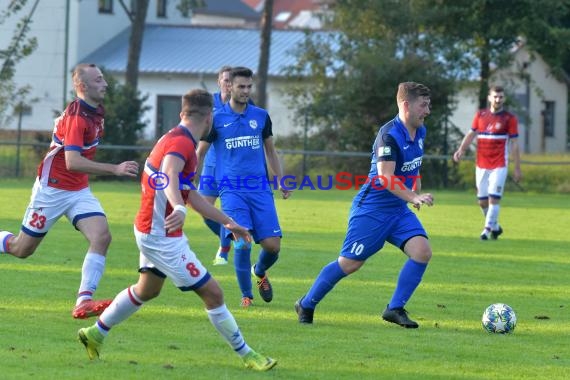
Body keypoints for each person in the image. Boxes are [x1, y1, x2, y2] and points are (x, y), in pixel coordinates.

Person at [77, 89, 277, 371]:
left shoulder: (175, 136)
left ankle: (95, 334)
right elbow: (171, 174)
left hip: (149, 229)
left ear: (183, 112)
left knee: (146, 290)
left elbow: (190, 193)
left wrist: (227, 222)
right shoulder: (182, 144)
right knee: (214, 294)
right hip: (161, 237)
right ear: (209, 117)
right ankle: (248, 355)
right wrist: (178, 208)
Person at [0, 63, 139, 319]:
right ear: (82, 86)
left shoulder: (96, 110)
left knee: (102, 237)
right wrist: (115, 169)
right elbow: (72, 162)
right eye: (98, 80)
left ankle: (83, 301)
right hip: (51, 190)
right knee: (22, 249)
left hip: (78, 189)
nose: (105, 84)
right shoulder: (77, 117)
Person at [295, 82, 434, 328]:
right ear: (406, 105)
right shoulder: (389, 134)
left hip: (398, 210)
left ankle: (395, 308)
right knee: (350, 264)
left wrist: (415, 193)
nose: (428, 111)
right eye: (423, 105)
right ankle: (306, 303)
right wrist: (413, 197)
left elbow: (414, 167)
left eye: (428, 105)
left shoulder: (420, 131)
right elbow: (385, 176)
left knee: (422, 251)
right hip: (372, 210)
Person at [197, 67, 292, 308]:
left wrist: (280, 179)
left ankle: (259, 271)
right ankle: (246, 296)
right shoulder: (216, 119)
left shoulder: (261, 116)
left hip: (260, 189)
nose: (246, 91)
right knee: (242, 241)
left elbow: (270, 150)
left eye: (249, 87)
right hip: (231, 190)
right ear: (230, 87)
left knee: (273, 246)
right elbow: (199, 153)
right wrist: (187, 178)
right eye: (241, 86)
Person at [199, 65, 253, 266]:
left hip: (231, 166)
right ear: (219, 82)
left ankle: (224, 248)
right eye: (226, 80)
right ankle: (232, 235)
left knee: (229, 209)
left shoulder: (245, 104)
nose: (229, 84)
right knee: (205, 209)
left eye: (232, 81)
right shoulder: (208, 102)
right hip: (211, 164)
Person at [453, 85, 521, 240]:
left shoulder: (509, 119)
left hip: (499, 165)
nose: (498, 99)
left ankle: (486, 230)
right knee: (482, 202)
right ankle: (496, 227)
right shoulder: (480, 115)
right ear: (490, 98)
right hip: (481, 165)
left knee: (494, 198)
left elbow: (515, 144)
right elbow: (471, 134)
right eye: (495, 96)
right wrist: (461, 150)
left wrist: (517, 167)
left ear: (504, 98)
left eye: (501, 97)